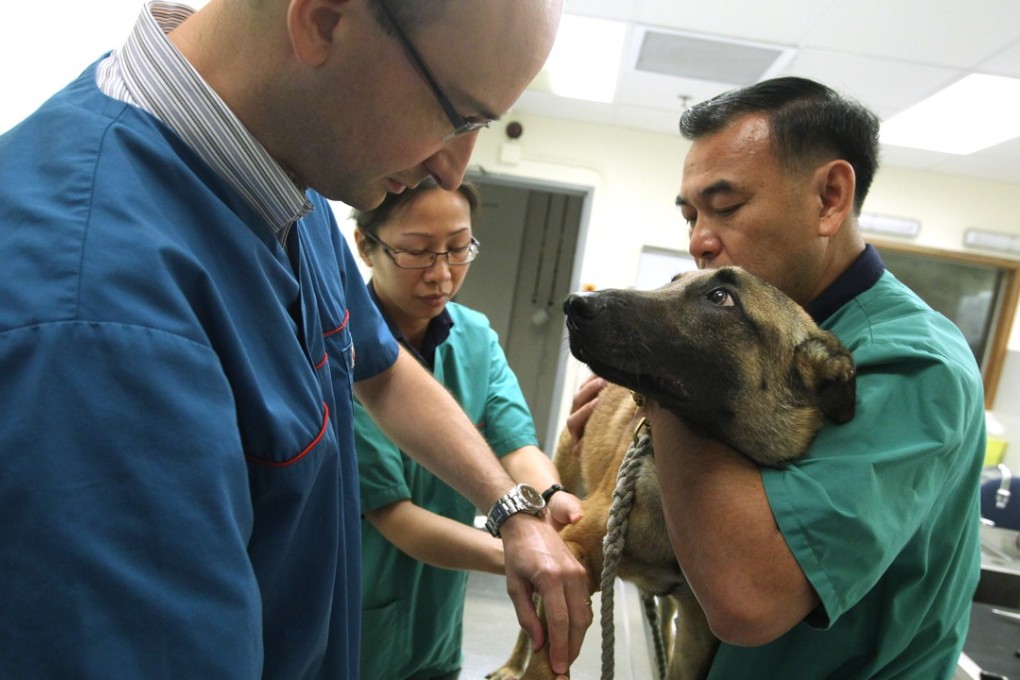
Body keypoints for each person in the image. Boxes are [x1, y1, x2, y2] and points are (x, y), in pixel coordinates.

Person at [0, 1, 593, 678]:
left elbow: (380, 369)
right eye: (454, 116)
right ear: (324, 19)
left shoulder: (277, 177)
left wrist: (514, 512)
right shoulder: (93, 317)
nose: (451, 172)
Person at [572, 77, 985, 678]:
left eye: (726, 206)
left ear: (830, 198)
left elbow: (749, 601)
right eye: (690, 215)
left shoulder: (914, 364)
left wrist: (657, 380)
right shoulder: (770, 329)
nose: (698, 241)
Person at [349, 179, 584, 680]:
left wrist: (552, 498)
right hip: (357, 609)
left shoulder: (474, 336)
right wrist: (525, 555)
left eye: (459, 248)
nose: (442, 274)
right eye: (417, 252)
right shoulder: (345, 349)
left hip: (436, 615)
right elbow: (398, 519)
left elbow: (514, 444)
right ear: (366, 246)